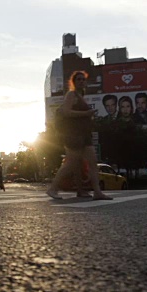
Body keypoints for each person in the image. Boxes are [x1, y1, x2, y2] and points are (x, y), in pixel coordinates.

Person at [47, 71, 113, 200]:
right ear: (73, 82)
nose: (81, 81)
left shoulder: (81, 95)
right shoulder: (71, 95)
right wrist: (86, 113)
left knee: (92, 162)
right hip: (74, 135)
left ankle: (96, 192)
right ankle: (52, 188)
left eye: (83, 79)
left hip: (84, 134)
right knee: (70, 163)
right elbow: (66, 112)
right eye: (78, 79)